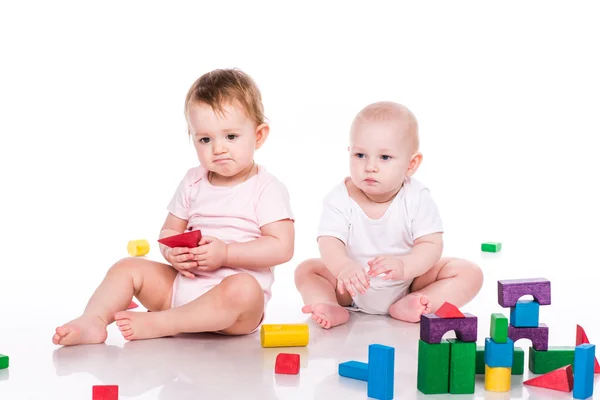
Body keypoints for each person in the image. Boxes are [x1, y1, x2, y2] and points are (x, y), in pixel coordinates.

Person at [53, 68, 294, 345]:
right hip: (180, 290)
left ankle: (163, 323)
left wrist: (225, 253)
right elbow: (170, 230)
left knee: (244, 288)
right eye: (205, 139)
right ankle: (93, 321)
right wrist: (171, 251)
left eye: (230, 136)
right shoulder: (194, 181)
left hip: (234, 312)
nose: (218, 148)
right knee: (127, 267)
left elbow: (282, 247)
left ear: (259, 135)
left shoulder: (266, 188)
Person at [295, 101, 483, 329]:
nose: (370, 166)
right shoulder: (339, 198)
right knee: (307, 270)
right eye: (360, 155)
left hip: (410, 282)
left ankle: (418, 303)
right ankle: (329, 304)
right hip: (352, 286)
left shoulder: (417, 197)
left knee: (469, 272)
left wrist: (405, 266)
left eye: (384, 158)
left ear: (411, 164)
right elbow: (329, 241)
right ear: (349, 153)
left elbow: (431, 244)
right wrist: (344, 266)